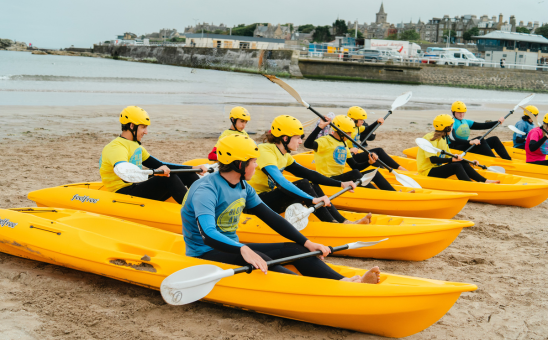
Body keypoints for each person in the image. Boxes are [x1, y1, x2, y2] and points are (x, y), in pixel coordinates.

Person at [181, 134, 381, 283]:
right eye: (253, 161)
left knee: (297, 249)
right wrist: (243, 249)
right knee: (265, 261)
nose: (257, 165)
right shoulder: (206, 190)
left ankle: (344, 281)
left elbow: (271, 218)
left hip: (234, 246)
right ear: (238, 164)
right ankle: (311, 288)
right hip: (205, 253)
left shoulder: (243, 186)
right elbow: (207, 234)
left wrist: (308, 242)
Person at [247, 115, 372, 224]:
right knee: (303, 183)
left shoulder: (285, 155)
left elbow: (309, 174)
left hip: (265, 200)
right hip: (253, 204)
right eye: (298, 138)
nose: (301, 142)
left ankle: (344, 222)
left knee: (311, 183)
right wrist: (311, 199)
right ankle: (335, 224)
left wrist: (340, 184)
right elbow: (281, 182)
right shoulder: (265, 151)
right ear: (285, 138)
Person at [99, 106, 208, 204]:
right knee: (168, 177)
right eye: (143, 127)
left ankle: (207, 204)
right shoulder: (116, 147)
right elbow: (126, 175)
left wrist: (193, 168)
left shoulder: (136, 146)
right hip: (124, 193)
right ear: (132, 126)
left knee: (187, 173)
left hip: (137, 186)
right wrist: (153, 175)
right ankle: (192, 212)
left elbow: (159, 164)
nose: (146, 132)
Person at [304, 115, 398, 192]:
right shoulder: (325, 141)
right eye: (348, 133)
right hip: (327, 179)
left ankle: (394, 194)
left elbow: (355, 165)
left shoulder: (344, 144)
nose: (350, 136)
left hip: (339, 178)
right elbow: (307, 144)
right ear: (340, 131)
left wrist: (369, 162)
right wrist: (320, 127)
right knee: (355, 173)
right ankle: (379, 195)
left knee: (374, 172)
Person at [417, 114, 500, 184]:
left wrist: (468, 162)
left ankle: (485, 181)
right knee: (456, 166)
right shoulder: (431, 138)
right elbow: (433, 159)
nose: (452, 128)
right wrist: (452, 160)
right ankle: (470, 185)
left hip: (435, 168)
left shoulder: (444, 138)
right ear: (446, 128)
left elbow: (450, 157)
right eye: (451, 126)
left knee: (460, 162)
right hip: (426, 172)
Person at [346, 106, 407, 171]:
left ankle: (394, 169)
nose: (363, 122)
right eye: (361, 120)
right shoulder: (346, 130)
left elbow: (368, 129)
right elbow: (337, 145)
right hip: (349, 157)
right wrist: (349, 149)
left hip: (355, 155)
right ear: (353, 119)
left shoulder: (357, 127)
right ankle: (392, 170)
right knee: (374, 153)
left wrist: (377, 122)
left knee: (377, 154)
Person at [448, 101, 512, 160]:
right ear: (453, 112)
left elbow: (483, 125)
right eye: (459, 112)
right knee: (479, 139)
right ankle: (494, 161)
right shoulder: (451, 123)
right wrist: (470, 142)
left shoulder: (466, 122)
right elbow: (453, 139)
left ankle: (508, 160)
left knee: (494, 139)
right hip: (455, 148)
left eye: (463, 112)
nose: (461, 114)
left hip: (465, 146)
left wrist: (497, 122)